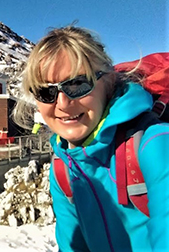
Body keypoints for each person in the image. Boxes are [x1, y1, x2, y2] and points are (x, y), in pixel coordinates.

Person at [13, 26, 169, 251]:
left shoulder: (154, 145)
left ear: (109, 82)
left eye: (77, 84)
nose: (63, 104)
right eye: (46, 92)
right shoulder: (62, 169)